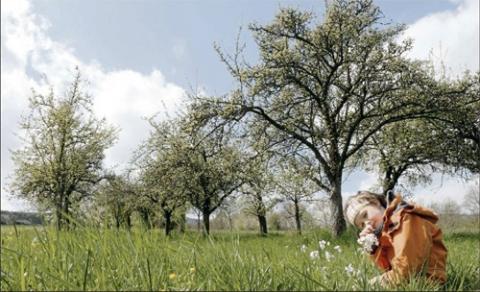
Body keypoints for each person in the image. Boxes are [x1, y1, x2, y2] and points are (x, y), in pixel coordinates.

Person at [344, 191, 447, 287]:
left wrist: (378, 282)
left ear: (375, 202)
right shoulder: (385, 231)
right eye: (361, 225)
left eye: (365, 215)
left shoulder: (405, 218)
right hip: (409, 281)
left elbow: (408, 267)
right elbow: (386, 268)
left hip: (428, 282)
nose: (367, 223)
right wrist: (372, 247)